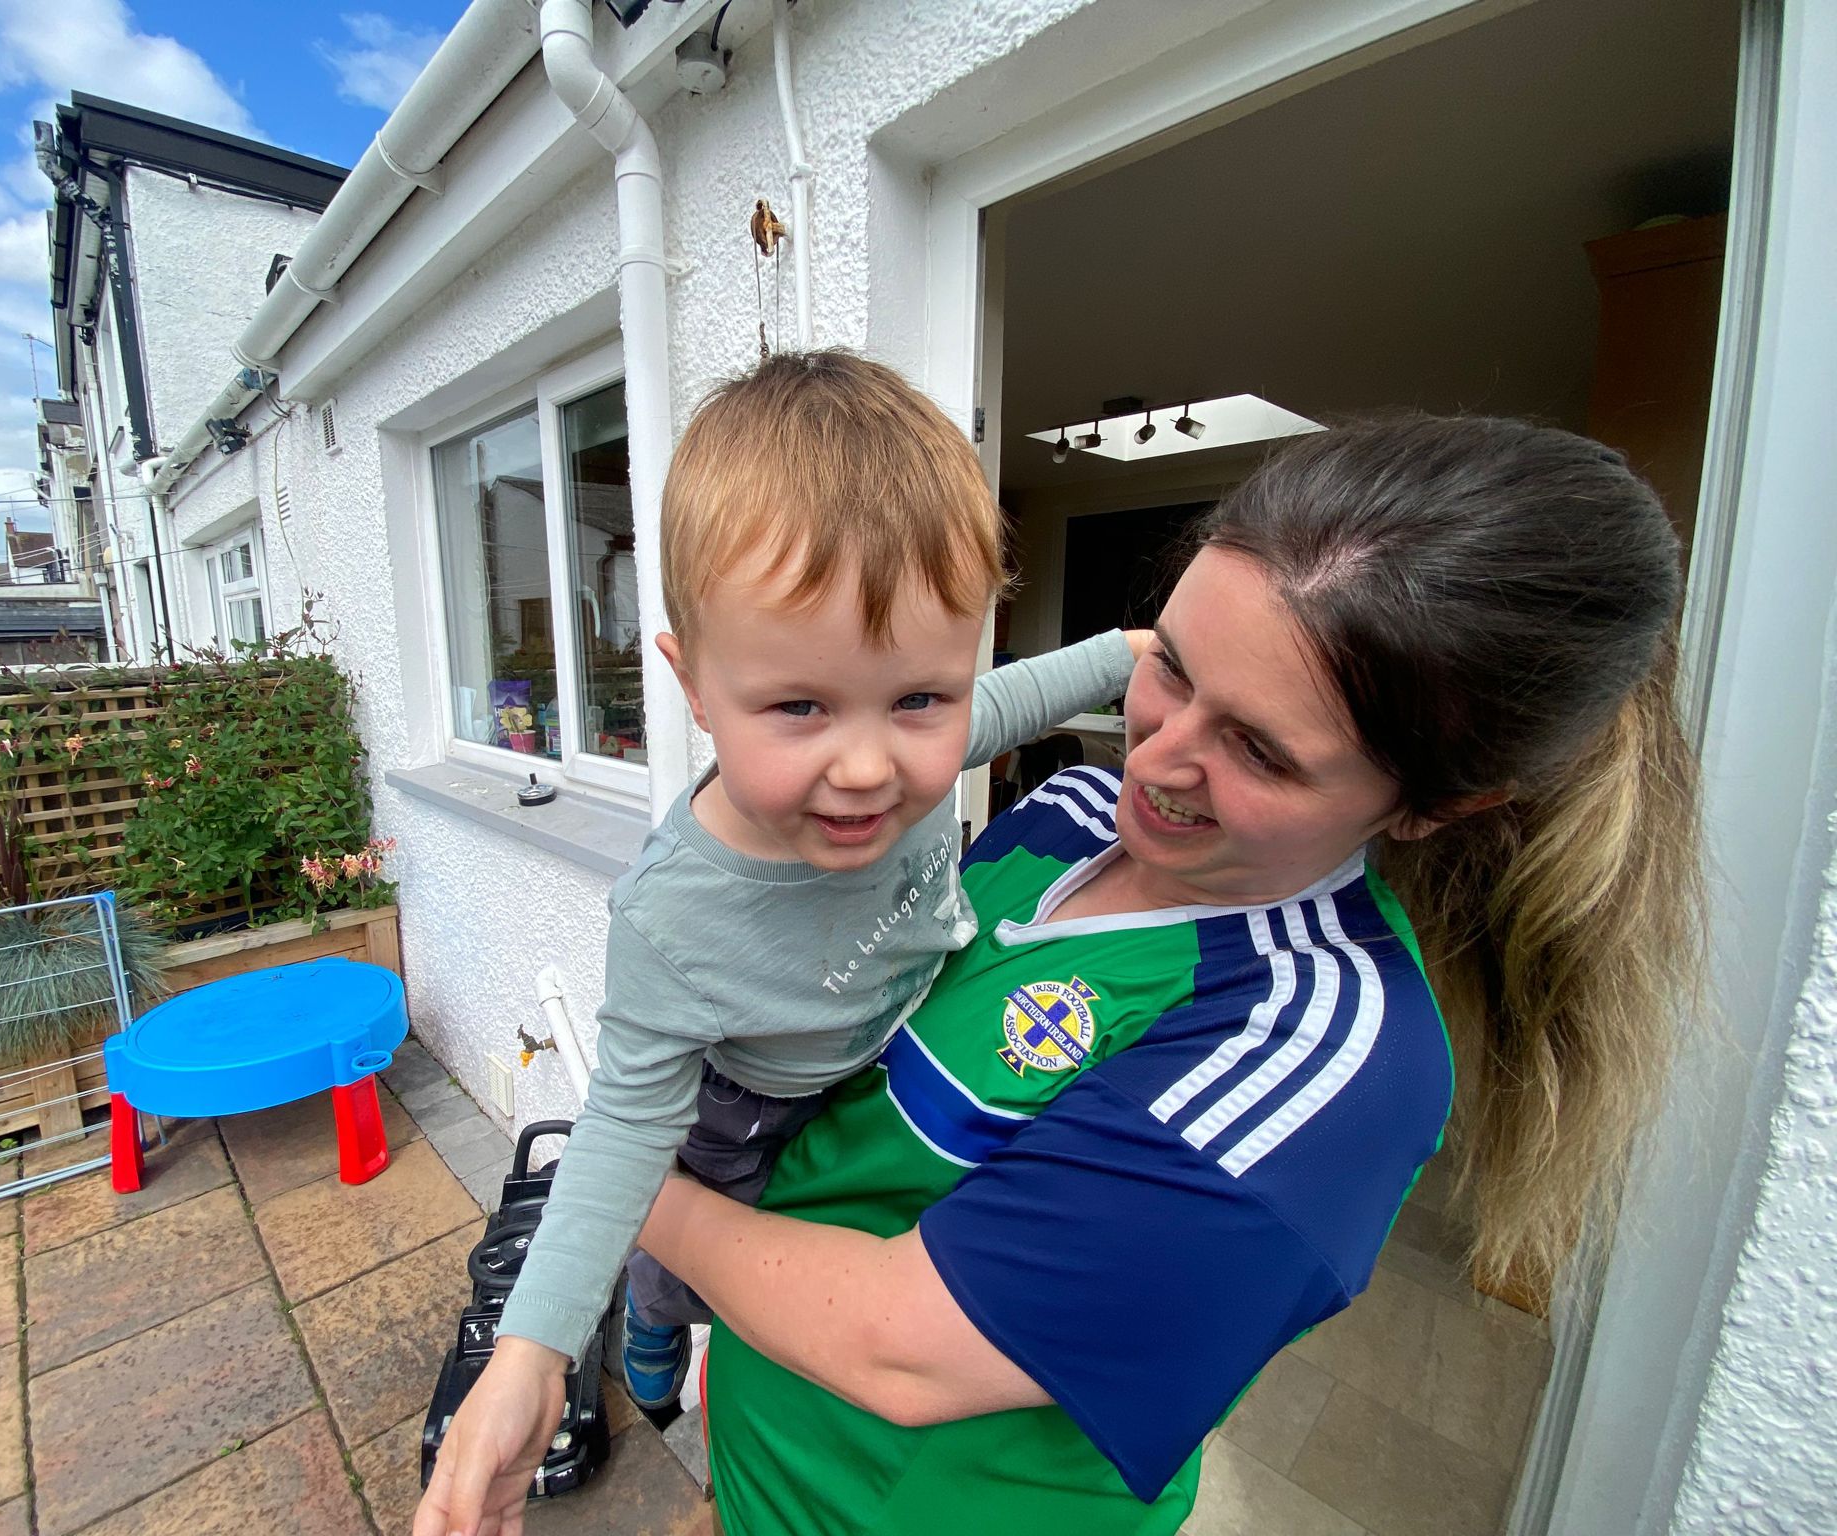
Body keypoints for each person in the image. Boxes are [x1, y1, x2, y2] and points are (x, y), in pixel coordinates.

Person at [628, 415, 1704, 1535]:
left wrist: (623, 1190)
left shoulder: (1317, 1052)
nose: (1154, 757)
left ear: (1437, 808)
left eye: (1259, 749)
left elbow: (901, 1349)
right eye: (1172, 670)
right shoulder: (1062, 814)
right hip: (761, 1465)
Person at [414, 351, 1150, 1536]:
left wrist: (1131, 654)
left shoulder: (924, 744)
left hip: (888, 1042)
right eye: (798, 707)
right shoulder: (674, 916)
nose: (867, 768)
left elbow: (1006, 702)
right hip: (747, 1107)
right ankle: (651, 1321)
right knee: (694, 1257)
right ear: (693, 685)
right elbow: (619, 1139)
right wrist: (530, 1351)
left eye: (917, 699)